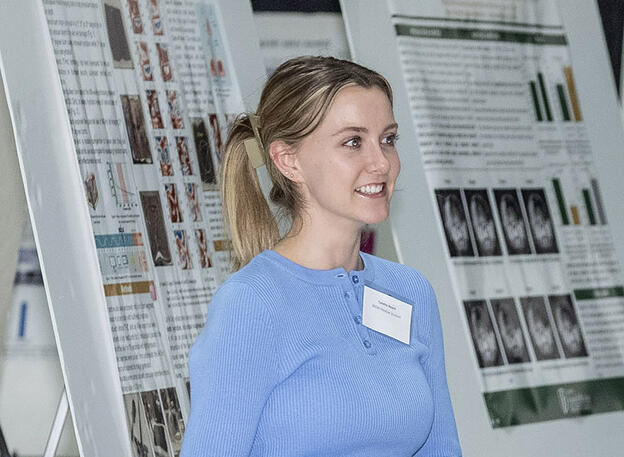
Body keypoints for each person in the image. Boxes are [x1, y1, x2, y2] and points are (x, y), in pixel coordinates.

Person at [181, 56, 461, 456]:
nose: (381, 163)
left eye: (388, 139)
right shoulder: (252, 302)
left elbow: (442, 448)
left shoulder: (411, 291)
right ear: (288, 160)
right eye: (353, 142)